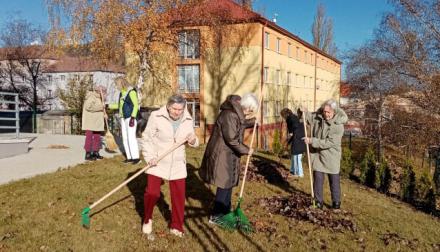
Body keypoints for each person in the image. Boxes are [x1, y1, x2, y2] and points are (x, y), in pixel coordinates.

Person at [140, 94, 199, 238]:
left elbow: (195, 142)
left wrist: (193, 140)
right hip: (157, 161)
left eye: (180, 109)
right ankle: (147, 219)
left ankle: (176, 226)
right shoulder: (156, 116)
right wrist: (150, 157)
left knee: (179, 197)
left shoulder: (187, 119)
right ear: (168, 106)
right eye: (174, 109)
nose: (177, 112)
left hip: (178, 163)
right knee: (152, 193)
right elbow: (146, 138)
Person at [199, 93, 258, 223]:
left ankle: (225, 211)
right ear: (246, 107)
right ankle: (216, 216)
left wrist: (253, 122)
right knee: (224, 184)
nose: (250, 113)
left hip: (229, 154)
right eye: (251, 110)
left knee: (229, 183)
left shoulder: (235, 113)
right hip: (222, 154)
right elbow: (231, 139)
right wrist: (247, 150)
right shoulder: (230, 115)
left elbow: (240, 124)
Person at [302, 99, 348, 209]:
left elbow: (330, 142)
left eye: (328, 112)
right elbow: (309, 118)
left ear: (334, 112)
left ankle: (336, 203)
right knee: (317, 179)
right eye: (325, 111)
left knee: (334, 181)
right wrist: (303, 112)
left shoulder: (338, 125)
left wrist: (312, 141)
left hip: (331, 156)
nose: (326, 114)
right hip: (318, 156)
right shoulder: (320, 117)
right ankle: (318, 202)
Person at [110, 77, 141, 164]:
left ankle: (136, 158)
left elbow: (135, 105)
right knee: (125, 138)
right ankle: (129, 157)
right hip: (123, 118)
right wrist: (109, 106)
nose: (116, 86)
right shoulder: (122, 93)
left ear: (121, 83)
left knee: (131, 138)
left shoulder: (131, 92)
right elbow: (120, 105)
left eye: (117, 84)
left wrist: (133, 117)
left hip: (130, 117)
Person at [81, 86, 107, 161]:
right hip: (90, 121)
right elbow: (88, 107)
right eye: (104, 92)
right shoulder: (91, 96)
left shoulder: (100, 98)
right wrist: (101, 107)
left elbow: (102, 108)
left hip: (97, 121)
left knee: (97, 137)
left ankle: (96, 153)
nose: (105, 94)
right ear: (99, 91)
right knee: (89, 136)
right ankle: (88, 154)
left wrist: (105, 114)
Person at [280, 108, 306, 178]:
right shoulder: (293, 117)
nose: (283, 117)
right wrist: (289, 140)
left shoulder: (290, 119)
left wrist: (289, 137)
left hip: (298, 138)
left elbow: (292, 130)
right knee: (295, 154)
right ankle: (293, 170)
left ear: (285, 115)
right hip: (300, 137)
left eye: (283, 116)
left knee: (297, 155)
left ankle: (300, 173)